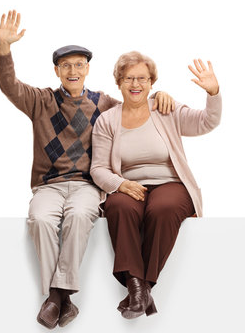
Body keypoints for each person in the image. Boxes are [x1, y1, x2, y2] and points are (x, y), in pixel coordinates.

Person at [0, 10, 173, 329]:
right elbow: (9, 86)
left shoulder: (103, 103)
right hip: (48, 186)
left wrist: (159, 95)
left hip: (88, 186)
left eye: (79, 64)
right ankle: (61, 298)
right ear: (57, 70)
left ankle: (55, 296)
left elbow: (135, 104)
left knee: (78, 217)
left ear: (88, 69)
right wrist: (5, 50)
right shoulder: (40, 100)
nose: (73, 70)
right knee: (40, 220)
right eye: (67, 65)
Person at [90, 51, 221, 319]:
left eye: (142, 78)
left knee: (163, 208)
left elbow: (207, 122)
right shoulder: (107, 120)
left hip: (170, 182)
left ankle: (140, 288)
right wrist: (121, 184)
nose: (135, 84)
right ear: (119, 83)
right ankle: (140, 288)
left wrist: (213, 93)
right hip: (128, 184)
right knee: (118, 207)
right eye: (128, 78)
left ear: (152, 82)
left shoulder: (166, 109)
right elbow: (98, 168)